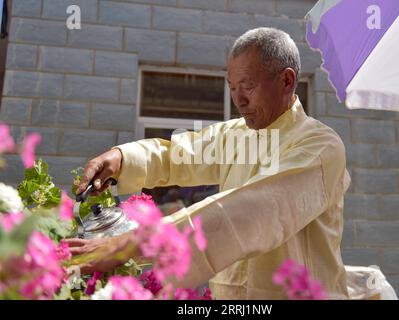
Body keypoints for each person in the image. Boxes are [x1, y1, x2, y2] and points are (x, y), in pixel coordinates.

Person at [67, 27, 351, 299]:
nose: (238, 99)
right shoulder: (235, 135)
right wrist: (122, 159)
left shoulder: (320, 146)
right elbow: (174, 155)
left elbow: (252, 212)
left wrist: (124, 245)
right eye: (232, 87)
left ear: (286, 81)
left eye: (248, 87)